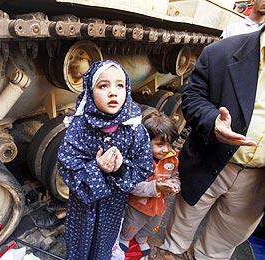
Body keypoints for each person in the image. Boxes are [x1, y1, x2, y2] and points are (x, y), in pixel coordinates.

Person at [157, 26, 265, 259]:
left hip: (257, 181)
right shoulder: (222, 52)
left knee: (218, 250)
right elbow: (193, 97)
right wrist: (213, 121)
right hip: (209, 161)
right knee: (176, 238)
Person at [57, 60, 153, 260]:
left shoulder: (134, 129)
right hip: (83, 207)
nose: (113, 92)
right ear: (90, 91)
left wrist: (119, 170)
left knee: (104, 244)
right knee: (79, 245)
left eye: (120, 85)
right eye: (103, 86)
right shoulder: (79, 128)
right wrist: (97, 167)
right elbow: (67, 168)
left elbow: (144, 166)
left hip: (113, 204)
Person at [111, 109, 181, 260]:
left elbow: (176, 175)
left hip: (159, 206)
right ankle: (124, 238)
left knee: (151, 226)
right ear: (144, 140)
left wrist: (175, 184)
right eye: (160, 144)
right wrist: (156, 187)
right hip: (138, 205)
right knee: (132, 224)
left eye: (169, 144)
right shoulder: (138, 160)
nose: (166, 149)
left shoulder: (172, 159)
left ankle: (142, 239)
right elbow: (133, 186)